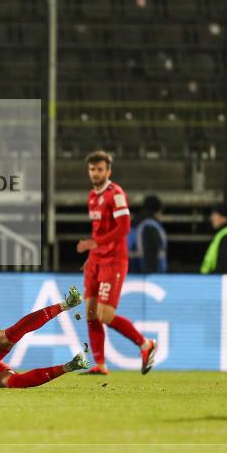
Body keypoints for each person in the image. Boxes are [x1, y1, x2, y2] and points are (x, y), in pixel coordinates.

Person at [77, 151, 157, 376]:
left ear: (108, 171)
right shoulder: (92, 196)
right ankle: (100, 364)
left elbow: (123, 228)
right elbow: (98, 230)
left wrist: (93, 243)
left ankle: (145, 345)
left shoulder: (116, 194)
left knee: (104, 315)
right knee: (91, 312)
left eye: (100, 169)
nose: (95, 173)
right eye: (92, 169)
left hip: (113, 261)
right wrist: (91, 256)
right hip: (96, 261)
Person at [127, 194, 168, 274]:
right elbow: (151, 253)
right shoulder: (150, 226)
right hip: (148, 276)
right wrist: (152, 276)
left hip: (131, 273)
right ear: (158, 210)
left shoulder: (135, 225)